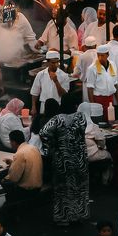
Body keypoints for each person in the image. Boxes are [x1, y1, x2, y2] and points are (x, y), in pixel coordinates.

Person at [39, 95, 89, 225]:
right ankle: (79, 215)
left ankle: (63, 217)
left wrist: (53, 144)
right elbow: (83, 130)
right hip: (79, 158)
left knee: (62, 189)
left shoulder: (57, 119)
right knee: (80, 187)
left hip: (62, 159)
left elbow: (43, 133)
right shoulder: (81, 117)